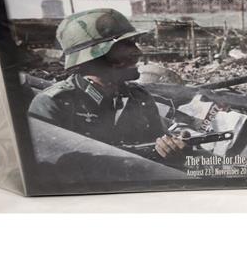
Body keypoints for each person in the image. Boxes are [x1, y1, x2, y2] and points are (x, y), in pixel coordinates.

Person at [28, 8, 187, 161]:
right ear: (93, 57)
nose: (138, 52)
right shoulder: (54, 103)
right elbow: (51, 168)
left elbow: (160, 147)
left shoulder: (139, 97)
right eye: (125, 45)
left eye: (133, 43)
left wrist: (171, 149)